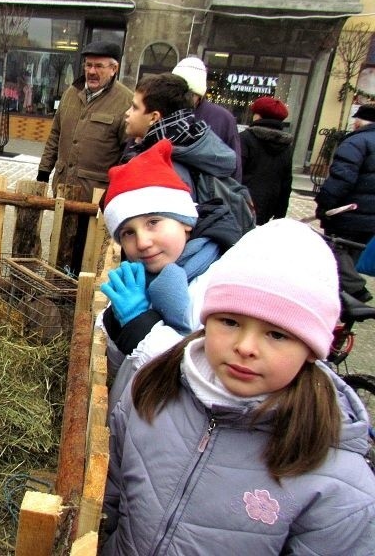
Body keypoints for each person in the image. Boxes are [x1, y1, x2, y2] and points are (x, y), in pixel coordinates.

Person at [100, 218, 375, 555]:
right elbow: (107, 498)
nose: (246, 346)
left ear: (311, 350)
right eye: (230, 321)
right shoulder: (152, 392)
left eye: (277, 333)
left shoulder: (337, 480)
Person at [99, 138, 241, 410]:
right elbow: (118, 364)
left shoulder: (219, 284)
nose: (142, 242)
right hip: (133, 413)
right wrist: (115, 323)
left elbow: (206, 378)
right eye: (128, 232)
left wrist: (140, 325)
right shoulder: (138, 278)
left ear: (186, 222)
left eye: (153, 222)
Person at [36, 41, 133, 275]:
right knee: (59, 246)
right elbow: (55, 135)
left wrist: (115, 193)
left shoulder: (126, 101)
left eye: (99, 66)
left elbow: (127, 155)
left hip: (95, 196)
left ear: (114, 68)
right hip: (63, 188)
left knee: (85, 254)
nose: (91, 71)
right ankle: (56, 289)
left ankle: (77, 297)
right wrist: (43, 172)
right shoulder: (71, 93)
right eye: (88, 65)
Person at [121, 73, 237, 196]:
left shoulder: (166, 168)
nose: (127, 112)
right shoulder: (182, 150)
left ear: (154, 117)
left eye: (134, 107)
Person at [315, 103, 375, 302]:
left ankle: (354, 292)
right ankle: (346, 306)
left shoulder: (356, 142)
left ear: (358, 121)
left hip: (346, 213)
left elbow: (341, 179)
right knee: (351, 258)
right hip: (370, 219)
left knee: (335, 255)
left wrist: (324, 205)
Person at [173, 56, 242, 180]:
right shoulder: (161, 111)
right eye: (178, 92)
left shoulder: (223, 119)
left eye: (190, 93)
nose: (184, 98)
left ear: (199, 94)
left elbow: (233, 167)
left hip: (206, 193)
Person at [240, 96, 293, 224]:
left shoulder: (245, 138)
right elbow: (286, 182)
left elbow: (236, 171)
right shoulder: (286, 145)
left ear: (258, 116)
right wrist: (280, 213)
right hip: (269, 205)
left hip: (243, 202)